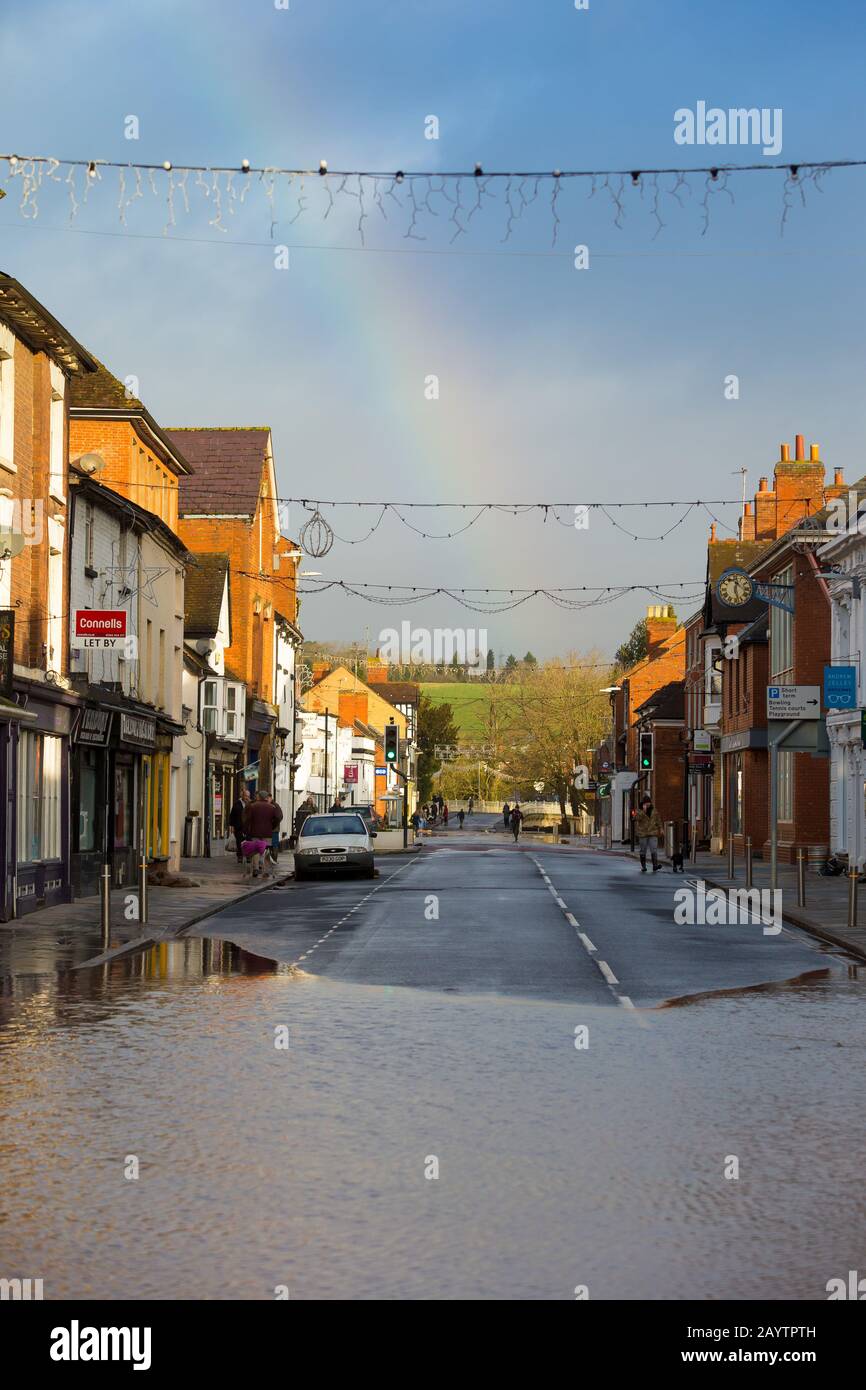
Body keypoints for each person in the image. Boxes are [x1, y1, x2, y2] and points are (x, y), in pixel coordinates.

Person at [242, 792, 283, 878]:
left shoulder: (253, 806)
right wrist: (273, 825)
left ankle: (256, 868)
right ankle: (266, 870)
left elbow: (247, 819)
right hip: (267, 833)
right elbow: (278, 817)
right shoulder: (271, 807)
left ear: (259, 797)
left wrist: (246, 830)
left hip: (255, 832)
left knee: (256, 850)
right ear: (266, 798)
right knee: (266, 850)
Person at [634, 795, 664, 873]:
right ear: (643, 803)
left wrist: (661, 828)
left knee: (654, 849)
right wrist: (643, 811)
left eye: (649, 803)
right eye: (646, 803)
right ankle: (644, 866)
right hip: (643, 834)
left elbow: (658, 820)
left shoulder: (654, 810)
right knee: (643, 850)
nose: (648, 805)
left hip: (653, 832)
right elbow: (636, 818)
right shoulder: (639, 811)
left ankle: (655, 866)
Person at [228, 788, 251, 864]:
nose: (247, 797)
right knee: (239, 842)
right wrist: (232, 826)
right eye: (245, 796)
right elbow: (232, 815)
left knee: (248, 842)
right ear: (242, 796)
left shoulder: (251, 804)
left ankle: (248, 857)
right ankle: (240, 857)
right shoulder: (237, 804)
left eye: (248, 796)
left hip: (248, 827)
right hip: (239, 827)